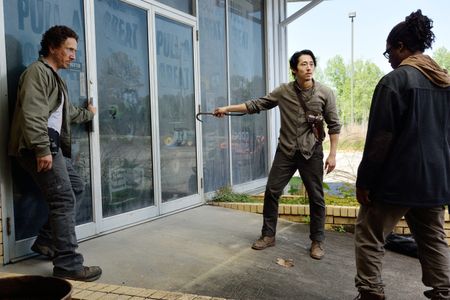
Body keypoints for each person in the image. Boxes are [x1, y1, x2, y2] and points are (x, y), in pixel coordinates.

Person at [354, 10, 450, 300]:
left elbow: (380, 139)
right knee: (433, 239)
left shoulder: (394, 81)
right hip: (434, 182)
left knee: (370, 235)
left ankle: (371, 292)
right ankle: (444, 291)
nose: (389, 59)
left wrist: (365, 181)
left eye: (389, 52)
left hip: (396, 180)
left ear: (400, 47)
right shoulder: (445, 83)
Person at [214, 49, 341, 260]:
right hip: (287, 151)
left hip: (312, 152)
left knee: (316, 197)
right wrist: (226, 108)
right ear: (294, 70)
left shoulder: (325, 93)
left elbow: (334, 125)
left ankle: (317, 241)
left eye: (311, 64)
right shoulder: (284, 91)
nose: (309, 67)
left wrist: (333, 154)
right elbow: (257, 104)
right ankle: (268, 235)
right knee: (272, 191)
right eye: (303, 64)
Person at [8, 25, 102, 282]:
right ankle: (68, 265)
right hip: (39, 147)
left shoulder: (55, 78)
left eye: (75, 50)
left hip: (51, 147)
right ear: (52, 47)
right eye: (69, 49)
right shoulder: (37, 73)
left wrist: (89, 114)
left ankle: (47, 241)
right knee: (63, 200)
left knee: (76, 187)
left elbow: (68, 113)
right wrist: (42, 149)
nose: (73, 55)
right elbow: (32, 113)